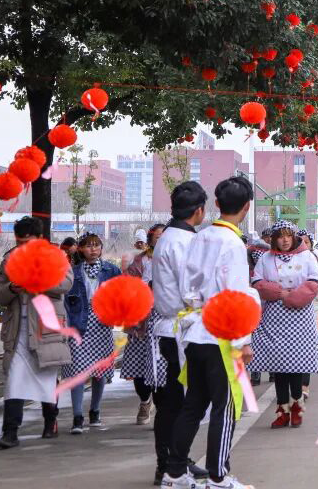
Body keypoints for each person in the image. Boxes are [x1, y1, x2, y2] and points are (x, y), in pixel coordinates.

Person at [164, 176, 259, 489]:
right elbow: (236, 295)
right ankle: (218, 475)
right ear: (247, 207)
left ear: (216, 204)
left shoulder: (200, 237)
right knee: (225, 407)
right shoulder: (233, 243)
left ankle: (174, 472)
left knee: (193, 405)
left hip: (195, 330)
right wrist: (243, 341)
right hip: (222, 335)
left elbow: (187, 286)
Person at [0, 216, 73, 448]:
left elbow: (66, 283)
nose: (22, 247)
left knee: (46, 377)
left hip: (45, 328)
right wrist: (12, 288)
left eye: (27, 242)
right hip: (17, 328)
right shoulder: (10, 259)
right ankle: (10, 432)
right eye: (19, 242)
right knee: (14, 379)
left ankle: (50, 421)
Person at [152, 182, 210, 487]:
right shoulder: (184, 241)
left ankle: (174, 460)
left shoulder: (169, 237)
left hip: (174, 325)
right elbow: (192, 290)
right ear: (199, 211)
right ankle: (170, 463)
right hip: (182, 326)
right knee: (179, 402)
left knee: (176, 400)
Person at [247, 220, 318, 429]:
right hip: (274, 317)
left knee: (296, 365)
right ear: (274, 239)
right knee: (278, 366)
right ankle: (282, 410)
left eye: (289, 235)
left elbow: (315, 281)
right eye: (280, 236)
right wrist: (279, 293)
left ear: (295, 237)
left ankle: (297, 405)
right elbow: (256, 282)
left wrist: (294, 297)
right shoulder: (266, 258)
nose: (285, 240)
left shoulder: (307, 256)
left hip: (300, 316)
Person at [64, 232, 122, 434]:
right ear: (80, 248)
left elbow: (121, 294)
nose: (93, 249)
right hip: (79, 324)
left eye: (97, 245)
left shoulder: (112, 270)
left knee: (100, 371)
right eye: (89, 245)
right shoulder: (73, 272)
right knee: (78, 371)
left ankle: (95, 411)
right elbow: (65, 300)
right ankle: (77, 416)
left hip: (102, 324)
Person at [122, 223, 166, 425]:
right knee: (139, 369)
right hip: (141, 322)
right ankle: (144, 400)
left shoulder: (173, 259)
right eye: (158, 237)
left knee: (161, 368)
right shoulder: (139, 261)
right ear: (150, 239)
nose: (161, 240)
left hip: (163, 322)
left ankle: (161, 410)